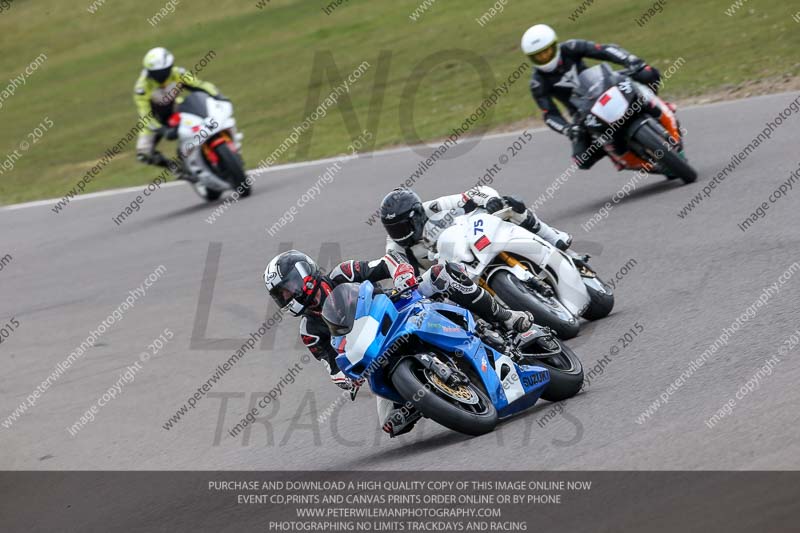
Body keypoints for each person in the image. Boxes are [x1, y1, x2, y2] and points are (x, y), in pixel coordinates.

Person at [264, 250, 534, 437]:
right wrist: (345, 381)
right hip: (375, 350)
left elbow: (386, 262)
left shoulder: (342, 273)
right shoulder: (309, 330)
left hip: (401, 307)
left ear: (304, 273)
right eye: (281, 295)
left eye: (288, 287)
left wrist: (402, 273)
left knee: (443, 274)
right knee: (392, 424)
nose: (288, 296)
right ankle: (434, 394)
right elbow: (331, 365)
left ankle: (507, 317)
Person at [521, 24, 663, 170]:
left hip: (605, 88)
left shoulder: (571, 47)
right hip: (582, 113)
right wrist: (567, 129)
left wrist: (630, 60)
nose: (544, 58)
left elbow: (605, 50)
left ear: (555, 45)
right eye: (538, 56)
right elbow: (549, 115)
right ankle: (615, 154)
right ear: (531, 58)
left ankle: (658, 105)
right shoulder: (537, 82)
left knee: (647, 73)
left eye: (547, 52)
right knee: (581, 159)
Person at [379, 185, 572, 268]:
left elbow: (473, 194)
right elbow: (394, 269)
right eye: (393, 229)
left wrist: (490, 200)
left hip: (473, 239)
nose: (399, 235)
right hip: (452, 273)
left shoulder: (433, 207)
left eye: (402, 227)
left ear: (417, 216)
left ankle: (551, 236)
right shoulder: (395, 248)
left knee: (509, 204)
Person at [133, 47, 225, 178]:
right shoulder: (142, 87)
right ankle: (178, 169)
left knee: (202, 124)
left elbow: (200, 85)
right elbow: (145, 117)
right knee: (144, 154)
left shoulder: (178, 73)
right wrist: (163, 130)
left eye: (163, 72)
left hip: (176, 110)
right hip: (154, 120)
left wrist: (218, 95)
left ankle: (214, 147)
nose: (160, 76)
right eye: (155, 73)